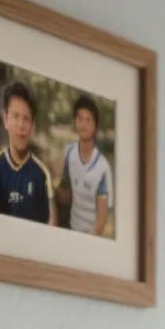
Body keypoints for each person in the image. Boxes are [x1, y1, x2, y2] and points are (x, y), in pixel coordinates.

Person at [0, 80, 52, 225]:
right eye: (15, 116)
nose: (21, 125)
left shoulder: (41, 174)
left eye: (26, 118)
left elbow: (50, 223)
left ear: (32, 126)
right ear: (5, 119)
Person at [54, 96, 113, 237]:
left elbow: (102, 218)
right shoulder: (69, 153)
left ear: (95, 126)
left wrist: (88, 242)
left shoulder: (102, 168)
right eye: (80, 119)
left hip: (90, 236)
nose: (83, 124)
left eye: (88, 120)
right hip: (70, 229)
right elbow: (65, 190)